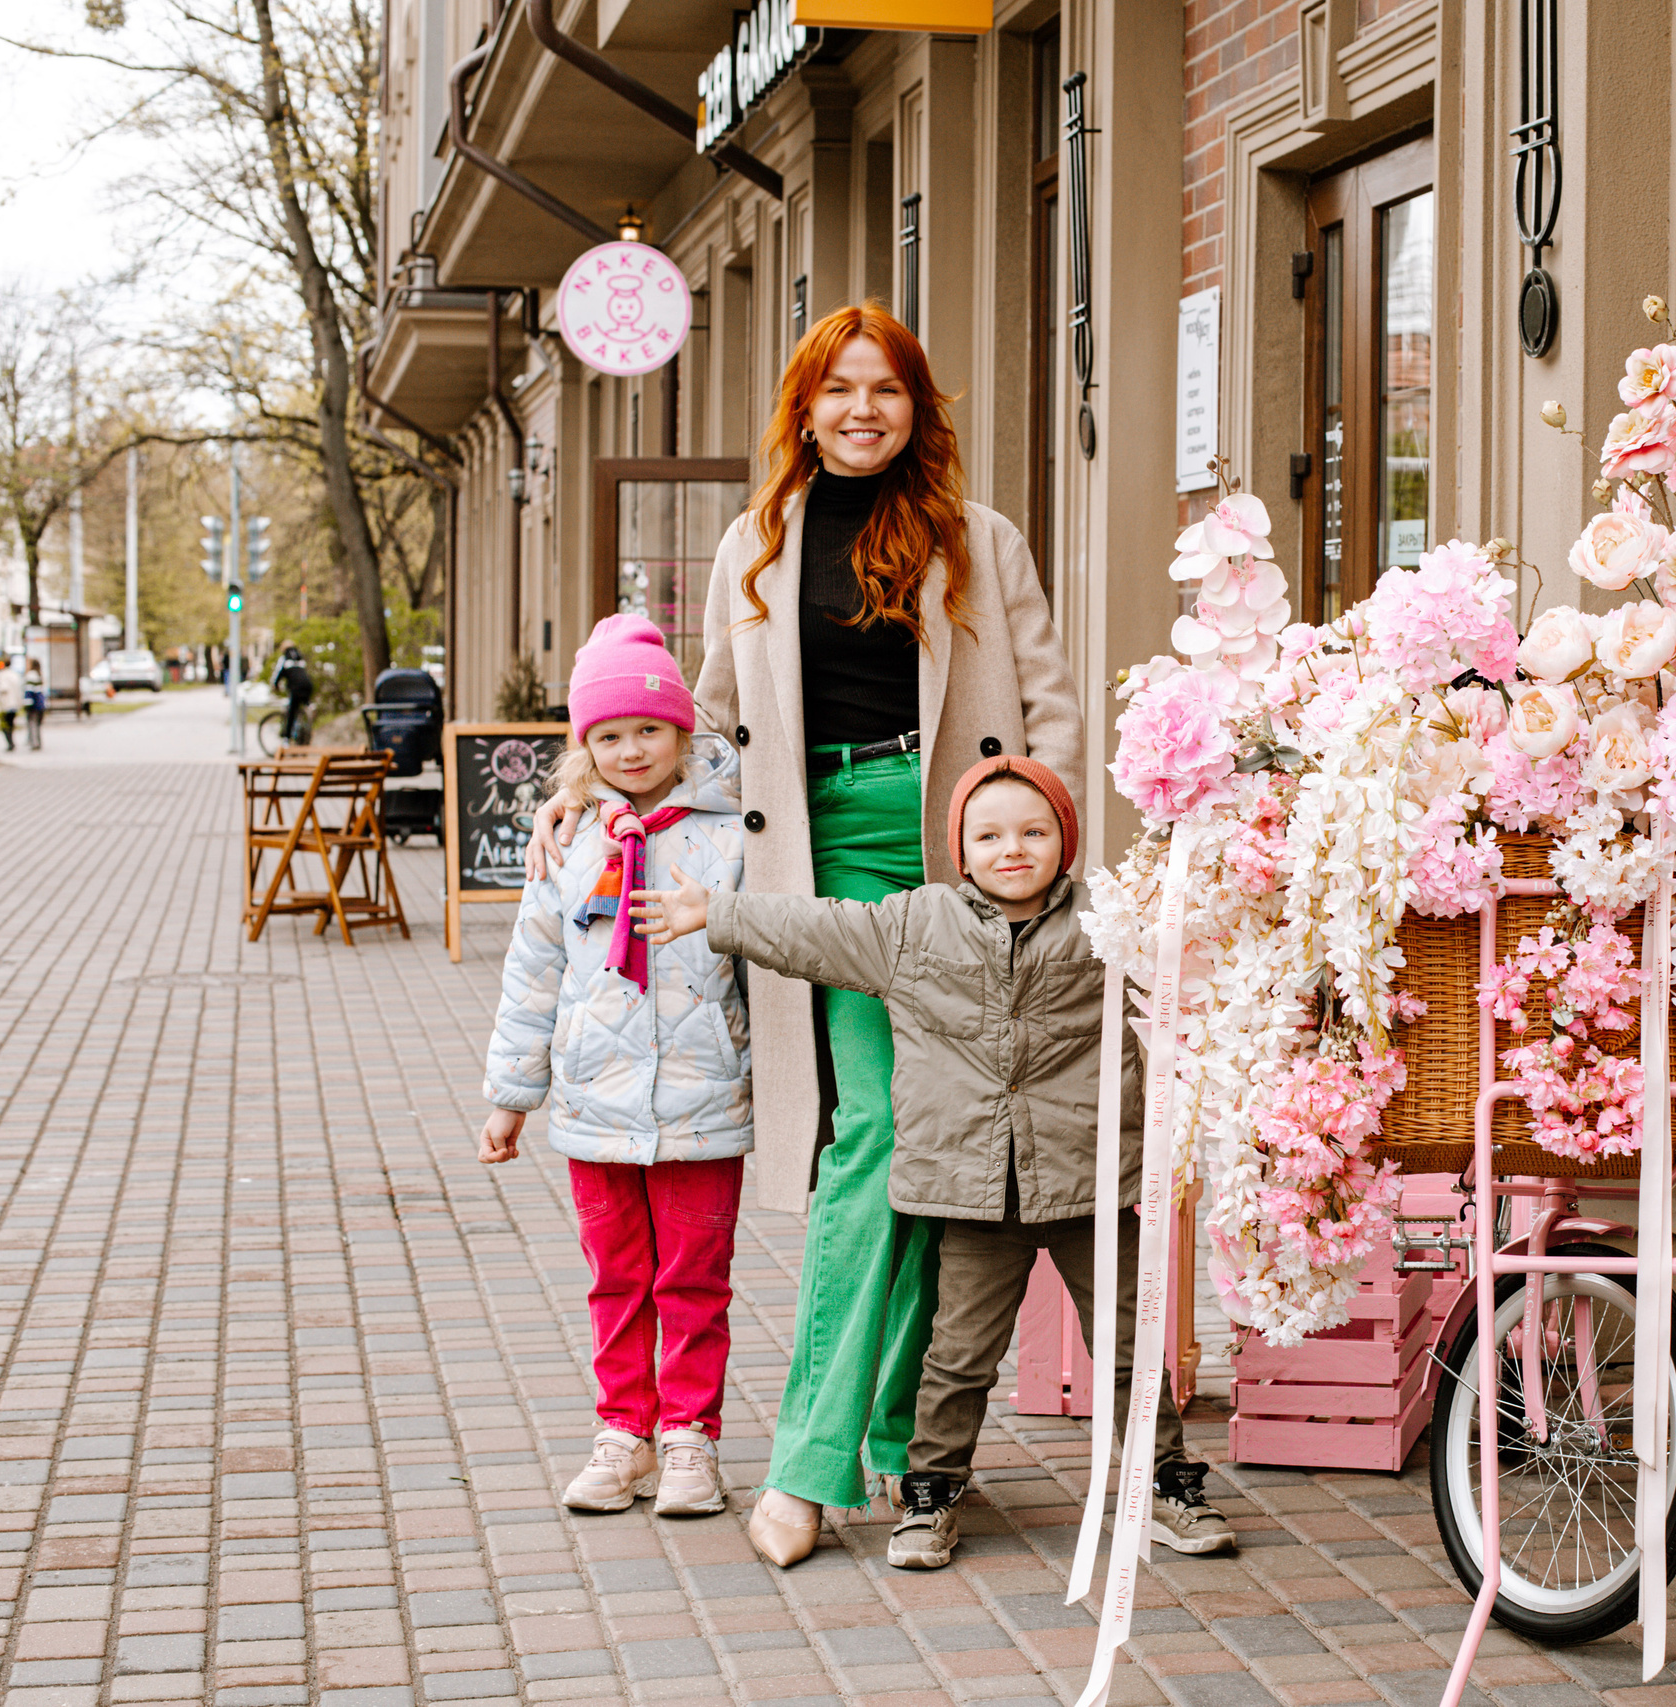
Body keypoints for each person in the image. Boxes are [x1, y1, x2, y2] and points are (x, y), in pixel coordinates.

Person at [527, 302, 1083, 1567]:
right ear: (803, 407)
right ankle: (813, 1458)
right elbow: (707, 726)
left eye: (885, 388)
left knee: (937, 1160)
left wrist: (1032, 860)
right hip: (816, 871)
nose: (861, 411)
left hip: (956, 863)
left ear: (917, 405)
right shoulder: (756, 546)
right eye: (837, 390)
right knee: (877, 1131)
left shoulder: (978, 542)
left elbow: (1047, 715)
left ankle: (891, 1436)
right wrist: (590, 781)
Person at [633, 757, 1235, 1570]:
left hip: (1091, 1187)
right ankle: (931, 1494)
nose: (1011, 849)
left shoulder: (1108, 925)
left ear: (1067, 842)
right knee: (955, 1359)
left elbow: (1194, 950)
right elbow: (816, 928)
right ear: (959, 849)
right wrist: (719, 913)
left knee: (1131, 1343)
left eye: (1034, 831)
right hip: (975, 1194)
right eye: (988, 834)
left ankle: (1165, 1484)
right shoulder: (914, 924)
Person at [479, 614, 755, 1519]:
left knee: (694, 1277)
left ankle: (689, 1440)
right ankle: (623, 1433)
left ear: (683, 728)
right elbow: (533, 969)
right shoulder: (570, 840)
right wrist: (512, 1097)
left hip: (702, 1100)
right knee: (617, 1277)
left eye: (648, 729)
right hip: (595, 1107)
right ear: (584, 745)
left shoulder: (736, 831)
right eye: (608, 735)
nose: (631, 749)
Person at [272, 644, 314, 747]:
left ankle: (287, 738)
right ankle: (309, 710)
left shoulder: (284, 658)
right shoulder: (300, 656)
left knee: (291, 712)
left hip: (295, 687)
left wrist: (275, 685)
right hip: (307, 685)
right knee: (304, 705)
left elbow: (278, 673)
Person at [0, 658, 23, 752]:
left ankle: (10, 743)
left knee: (4, 725)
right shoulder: (15, 675)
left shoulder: (2, 675)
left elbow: (4, 688)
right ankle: (11, 742)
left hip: (5, 704)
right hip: (14, 704)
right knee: (11, 724)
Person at [22, 661, 46, 750]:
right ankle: (38, 742)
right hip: (40, 704)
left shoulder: (31, 675)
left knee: (32, 724)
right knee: (37, 725)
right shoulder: (38, 675)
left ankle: (34, 743)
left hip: (33, 704)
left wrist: (27, 704)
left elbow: (29, 691)